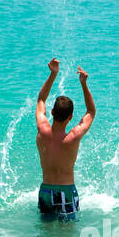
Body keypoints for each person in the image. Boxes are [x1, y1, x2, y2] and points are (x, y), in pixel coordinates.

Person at [35, 58, 95, 221]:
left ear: (52, 112)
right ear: (71, 117)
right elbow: (91, 112)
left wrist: (53, 74)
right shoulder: (73, 137)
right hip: (67, 192)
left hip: (46, 190)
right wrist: (83, 83)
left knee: (45, 234)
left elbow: (41, 99)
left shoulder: (42, 130)